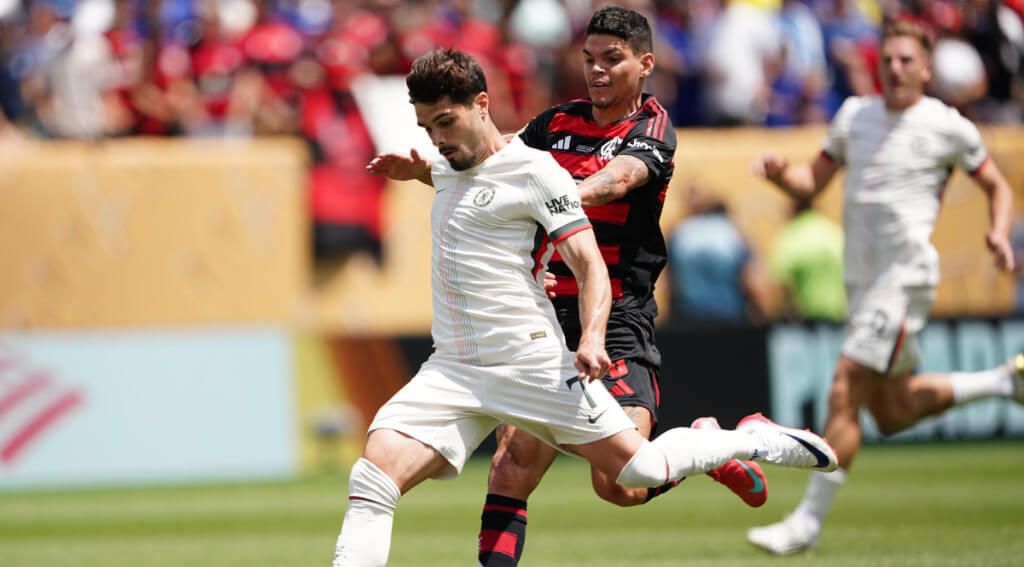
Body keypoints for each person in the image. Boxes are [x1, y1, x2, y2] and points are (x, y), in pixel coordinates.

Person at [334, 47, 839, 567]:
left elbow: (590, 266)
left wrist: (593, 337)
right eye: (426, 127)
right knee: (372, 478)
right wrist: (417, 170)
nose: (438, 138)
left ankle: (747, 440)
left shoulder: (538, 173)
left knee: (635, 474)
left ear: (482, 104)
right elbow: (456, 172)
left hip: (529, 362)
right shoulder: (447, 163)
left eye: (445, 122)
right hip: (452, 367)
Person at [481, 9, 765, 566]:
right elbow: (495, 159)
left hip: (615, 321)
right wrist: (436, 162)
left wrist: (552, 198)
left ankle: (706, 447)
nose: (597, 71)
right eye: (590, 59)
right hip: (544, 319)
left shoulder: (653, 128)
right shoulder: (553, 125)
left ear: (645, 64)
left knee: (619, 486)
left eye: (612, 59)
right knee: (510, 465)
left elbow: (619, 181)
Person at [746, 19, 1024, 555]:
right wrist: (782, 173)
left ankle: (806, 522)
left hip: (906, 276)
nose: (895, 69)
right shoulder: (855, 115)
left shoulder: (947, 125)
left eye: (906, 60)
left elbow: (996, 184)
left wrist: (996, 230)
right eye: (888, 59)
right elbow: (812, 181)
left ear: (926, 67)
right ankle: (1000, 384)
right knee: (892, 411)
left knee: (844, 388)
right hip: (863, 282)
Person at [669, 184, 771, 325]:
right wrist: (761, 314)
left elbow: (672, 282)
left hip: (690, 317)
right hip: (730, 316)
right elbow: (750, 278)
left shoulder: (679, 232)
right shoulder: (732, 230)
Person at [770, 198, 846, 322]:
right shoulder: (834, 232)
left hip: (806, 323)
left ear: (793, 210)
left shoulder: (790, 236)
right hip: (841, 318)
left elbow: (782, 282)